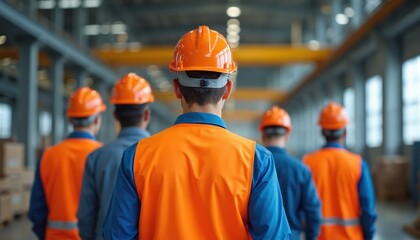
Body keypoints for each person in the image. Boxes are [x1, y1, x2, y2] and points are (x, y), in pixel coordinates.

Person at [103, 25, 291, 239]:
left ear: (176, 88)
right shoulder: (256, 160)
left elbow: (117, 235)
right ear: (227, 89)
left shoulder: (137, 157)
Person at [77, 73, 154, 240]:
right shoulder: (160, 156)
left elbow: (86, 217)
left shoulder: (96, 158)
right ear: (147, 115)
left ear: (115, 116)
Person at [29, 87, 106, 240]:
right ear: (97, 119)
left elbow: (36, 211)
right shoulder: (103, 156)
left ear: (70, 119)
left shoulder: (49, 155)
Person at [303, 102, 377, 240]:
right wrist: (368, 236)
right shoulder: (358, 164)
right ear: (345, 132)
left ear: (322, 131)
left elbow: (303, 207)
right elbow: (368, 210)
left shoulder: (307, 163)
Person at [260, 106, 321, 240]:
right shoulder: (301, 169)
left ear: (263, 134)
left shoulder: (253, 166)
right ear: (287, 135)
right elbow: (313, 211)